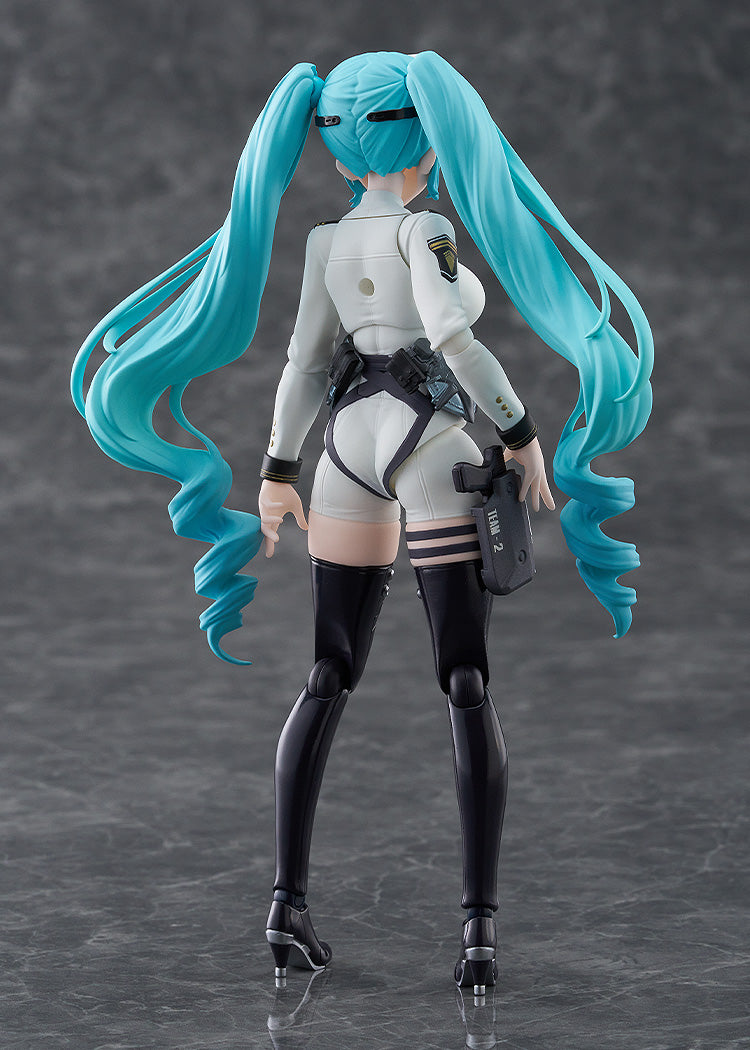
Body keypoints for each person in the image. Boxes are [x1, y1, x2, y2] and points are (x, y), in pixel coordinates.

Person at [71, 51, 653, 995]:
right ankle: (477, 932)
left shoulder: (324, 242)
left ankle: (285, 905)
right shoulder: (428, 230)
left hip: (343, 446)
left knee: (327, 671)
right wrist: (520, 433)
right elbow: (454, 337)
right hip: (431, 444)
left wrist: (277, 470)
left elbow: (304, 364)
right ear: (427, 141)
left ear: (338, 153)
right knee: (464, 678)